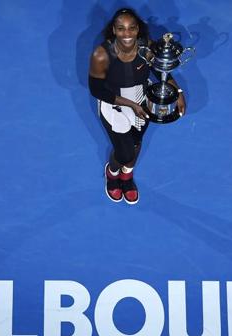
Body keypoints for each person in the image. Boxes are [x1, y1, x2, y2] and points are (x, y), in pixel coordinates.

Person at [88, 8, 186, 204]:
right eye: (121, 28)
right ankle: (113, 172)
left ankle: (127, 176)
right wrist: (131, 105)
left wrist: (179, 93)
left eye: (132, 28)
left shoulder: (146, 48)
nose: (127, 33)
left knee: (135, 142)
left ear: (138, 30)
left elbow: (160, 71)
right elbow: (97, 90)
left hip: (142, 99)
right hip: (113, 103)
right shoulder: (101, 54)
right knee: (124, 152)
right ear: (114, 30)